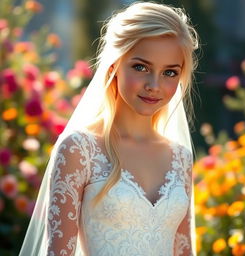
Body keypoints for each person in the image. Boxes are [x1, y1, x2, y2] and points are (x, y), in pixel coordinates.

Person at [19, 1, 199, 256]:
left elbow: (183, 251)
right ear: (114, 65)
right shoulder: (79, 150)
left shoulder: (180, 158)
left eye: (169, 72)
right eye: (141, 67)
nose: (154, 85)